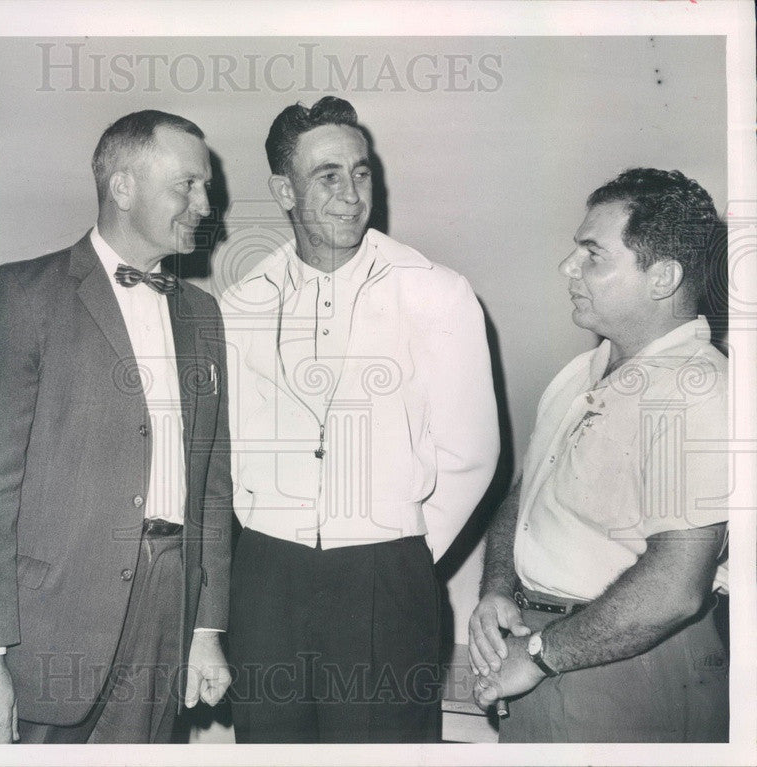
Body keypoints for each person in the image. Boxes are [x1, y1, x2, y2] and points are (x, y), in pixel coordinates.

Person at [0, 110, 233, 744]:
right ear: (122, 187)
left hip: (166, 611)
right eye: (187, 184)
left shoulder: (203, 315)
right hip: (45, 626)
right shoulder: (17, 294)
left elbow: (212, 485)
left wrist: (206, 630)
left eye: (205, 186)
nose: (206, 204)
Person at [219, 96, 499, 742]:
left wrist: (399, 545)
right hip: (265, 577)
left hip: (387, 573)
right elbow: (225, 450)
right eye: (328, 176)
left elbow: (472, 451)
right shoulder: (241, 303)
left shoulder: (435, 291)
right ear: (283, 191)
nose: (352, 193)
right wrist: (266, 528)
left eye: (362, 171)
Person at [469, 168, 729, 742]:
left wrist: (537, 655)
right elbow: (529, 495)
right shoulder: (580, 371)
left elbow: (676, 587)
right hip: (541, 652)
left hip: (629, 667)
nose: (569, 269)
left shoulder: (697, 391)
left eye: (592, 255)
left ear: (662, 277)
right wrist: (496, 589)